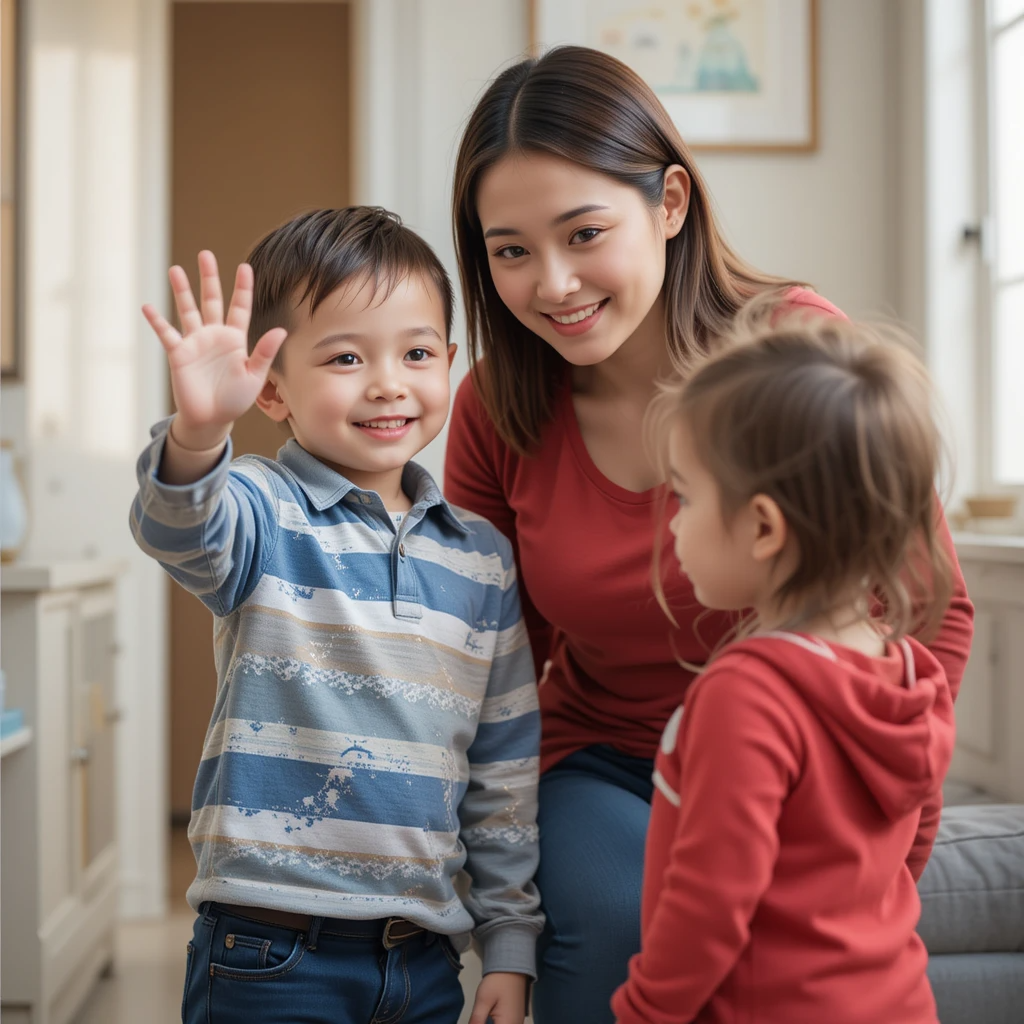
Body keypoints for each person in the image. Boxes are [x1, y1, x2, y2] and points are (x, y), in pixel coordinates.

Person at [443, 46, 974, 1024]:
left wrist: (882, 832)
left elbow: (929, 604)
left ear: (671, 204)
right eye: (509, 249)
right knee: (610, 920)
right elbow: (489, 659)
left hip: (800, 749)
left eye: (583, 232)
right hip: (601, 754)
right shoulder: (496, 403)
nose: (551, 283)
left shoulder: (790, 346)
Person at [130, 207, 542, 1024]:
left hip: (423, 951)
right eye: (347, 358)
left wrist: (509, 943)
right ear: (275, 387)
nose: (388, 382)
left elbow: (503, 775)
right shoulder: (262, 507)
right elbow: (178, 531)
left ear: (451, 366)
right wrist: (200, 431)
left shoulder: (483, 559)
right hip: (268, 948)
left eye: (417, 354)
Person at [610, 309, 955, 1024]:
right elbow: (916, 831)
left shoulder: (748, 694)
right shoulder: (911, 673)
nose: (672, 523)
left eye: (685, 495)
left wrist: (643, 1013)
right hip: (894, 999)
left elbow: (709, 900)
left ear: (763, 527)